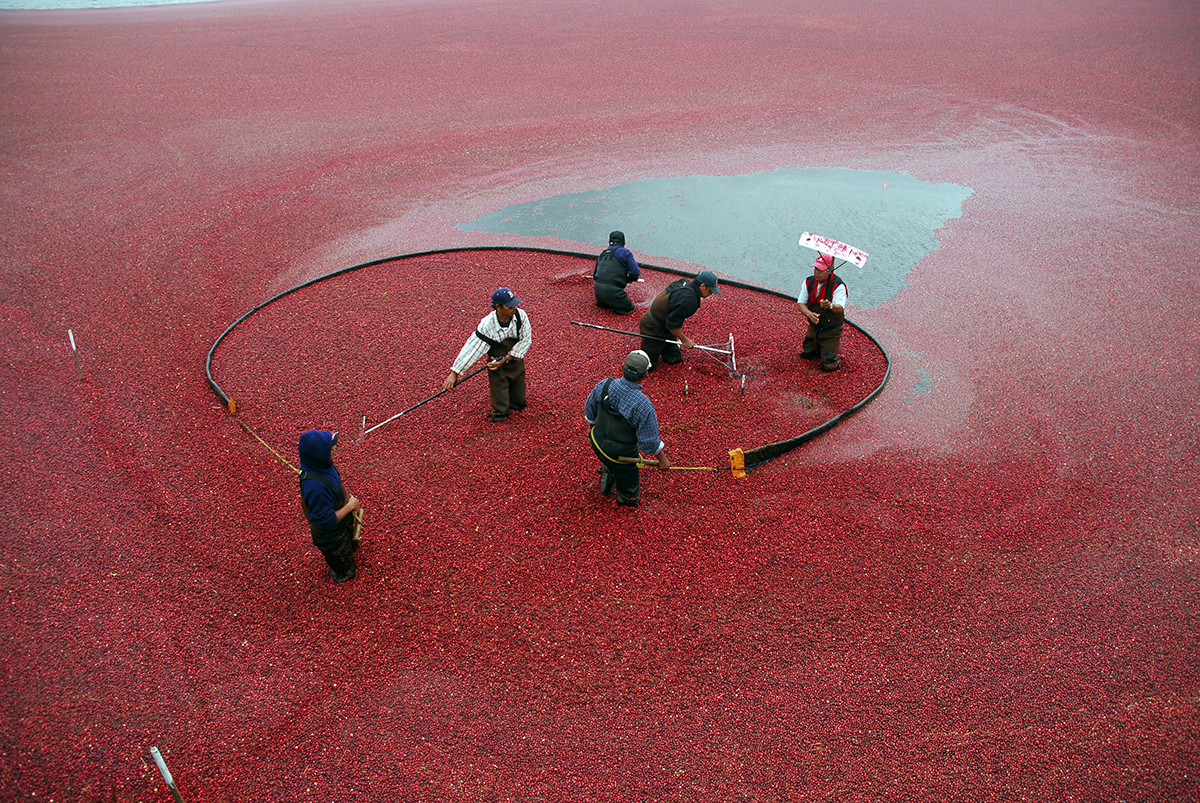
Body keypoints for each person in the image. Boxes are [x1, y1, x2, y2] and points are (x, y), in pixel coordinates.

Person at [584, 349, 671, 507]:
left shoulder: (604, 385)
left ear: (623, 366)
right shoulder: (643, 405)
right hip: (622, 455)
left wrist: (592, 431)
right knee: (628, 479)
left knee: (608, 458)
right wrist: (663, 461)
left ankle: (608, 470)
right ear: (645, 374)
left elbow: (590, 412)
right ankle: (625, 498)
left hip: (597, 443)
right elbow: (649, 443)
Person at [444, 287, 532, 423]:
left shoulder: (521, 316)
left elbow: (526, 340)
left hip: (515, 361)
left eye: (515, 304)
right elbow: (472, 348)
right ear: (498, 306)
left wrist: (508, 358)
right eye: (510, 306)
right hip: (497, 365)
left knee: (519, 400)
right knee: (500, 395)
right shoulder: (487, 325)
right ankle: (500, 414)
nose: (514, 307)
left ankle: (516, 404)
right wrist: (455, 372)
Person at [298, 429, 361, 583]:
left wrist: (347, 496)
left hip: (340, 521)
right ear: (318, 454)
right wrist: (350, 506)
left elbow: (336, 483)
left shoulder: (324, 465)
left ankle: (348, 549)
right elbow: (326, 521)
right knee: (341, 561)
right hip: (330, 535)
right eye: (329, 448)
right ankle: (342, 573)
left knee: (349, 543)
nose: (334, 449)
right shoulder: (315, 488)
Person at [638, 269, 720, 369]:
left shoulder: (685, 282)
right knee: (648, 366)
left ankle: (666, 351)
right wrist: (685, 340)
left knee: (674, 358)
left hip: (665, 326)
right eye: (710, 290)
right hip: (652, 326)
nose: (711, 294)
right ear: (702, 286)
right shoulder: (690, 300)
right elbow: (672, 324)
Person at [797, 253, 849, 371]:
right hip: (814, 326)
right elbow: (801, 304)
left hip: (831, 330)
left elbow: (839, 308)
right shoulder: (808, 282)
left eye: (820, 270)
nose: (817, 272)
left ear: (830, 271)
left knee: (828, 364)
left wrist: (829, 306)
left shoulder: (838, 286)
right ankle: (814, 349)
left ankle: (832, 360)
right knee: (808, 354)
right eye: (815, 268)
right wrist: (810, 314)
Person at [592, 230, 642, 315]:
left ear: (609, 242)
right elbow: (635, 272)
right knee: (629, 309)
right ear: (624, 244)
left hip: (598, 294)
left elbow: (594, 276)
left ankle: (607, 302)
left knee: (606, 306)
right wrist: (629, 279)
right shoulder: (625, 252)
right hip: (614, 293)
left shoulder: (602, 254)